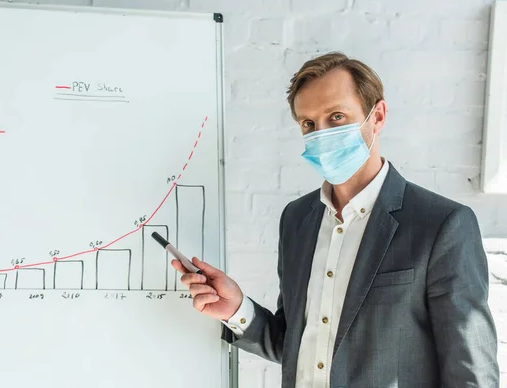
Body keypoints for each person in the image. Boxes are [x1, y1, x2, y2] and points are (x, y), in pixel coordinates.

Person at [171, 52, 500, 387]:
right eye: (309, 124)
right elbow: (301, 347)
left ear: (378, 116)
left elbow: (470, 370)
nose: (321, 134)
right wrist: (236, 307)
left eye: (337, 117)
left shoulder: (442, 224)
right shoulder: (297, 220)